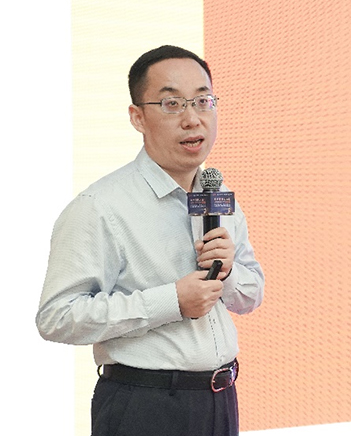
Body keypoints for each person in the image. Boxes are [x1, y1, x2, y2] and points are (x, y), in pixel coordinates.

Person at [36, 45, 265, 436]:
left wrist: (228, 273)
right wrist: (171, 301)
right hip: (144, 405)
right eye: (172, 104)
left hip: (220, 400)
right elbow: (56, 318)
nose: (192, 119)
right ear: (137, 117)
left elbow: (251, 295)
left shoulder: (218, 194)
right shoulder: (100, 207)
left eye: (203, 101)